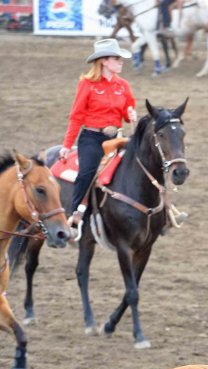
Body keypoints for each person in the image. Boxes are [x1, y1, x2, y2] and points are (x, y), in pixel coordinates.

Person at [59, 38, 137, 234]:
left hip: (116, 138)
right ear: (104, 61)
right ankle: (75, 213)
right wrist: (67, 145)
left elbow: (128, 111)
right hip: (92, 138)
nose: (121, 62)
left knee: (139, 166)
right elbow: (76, 116)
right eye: (116, 58)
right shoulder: (87, 84)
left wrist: (130, 114)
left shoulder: (123, 85)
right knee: (87, 173)